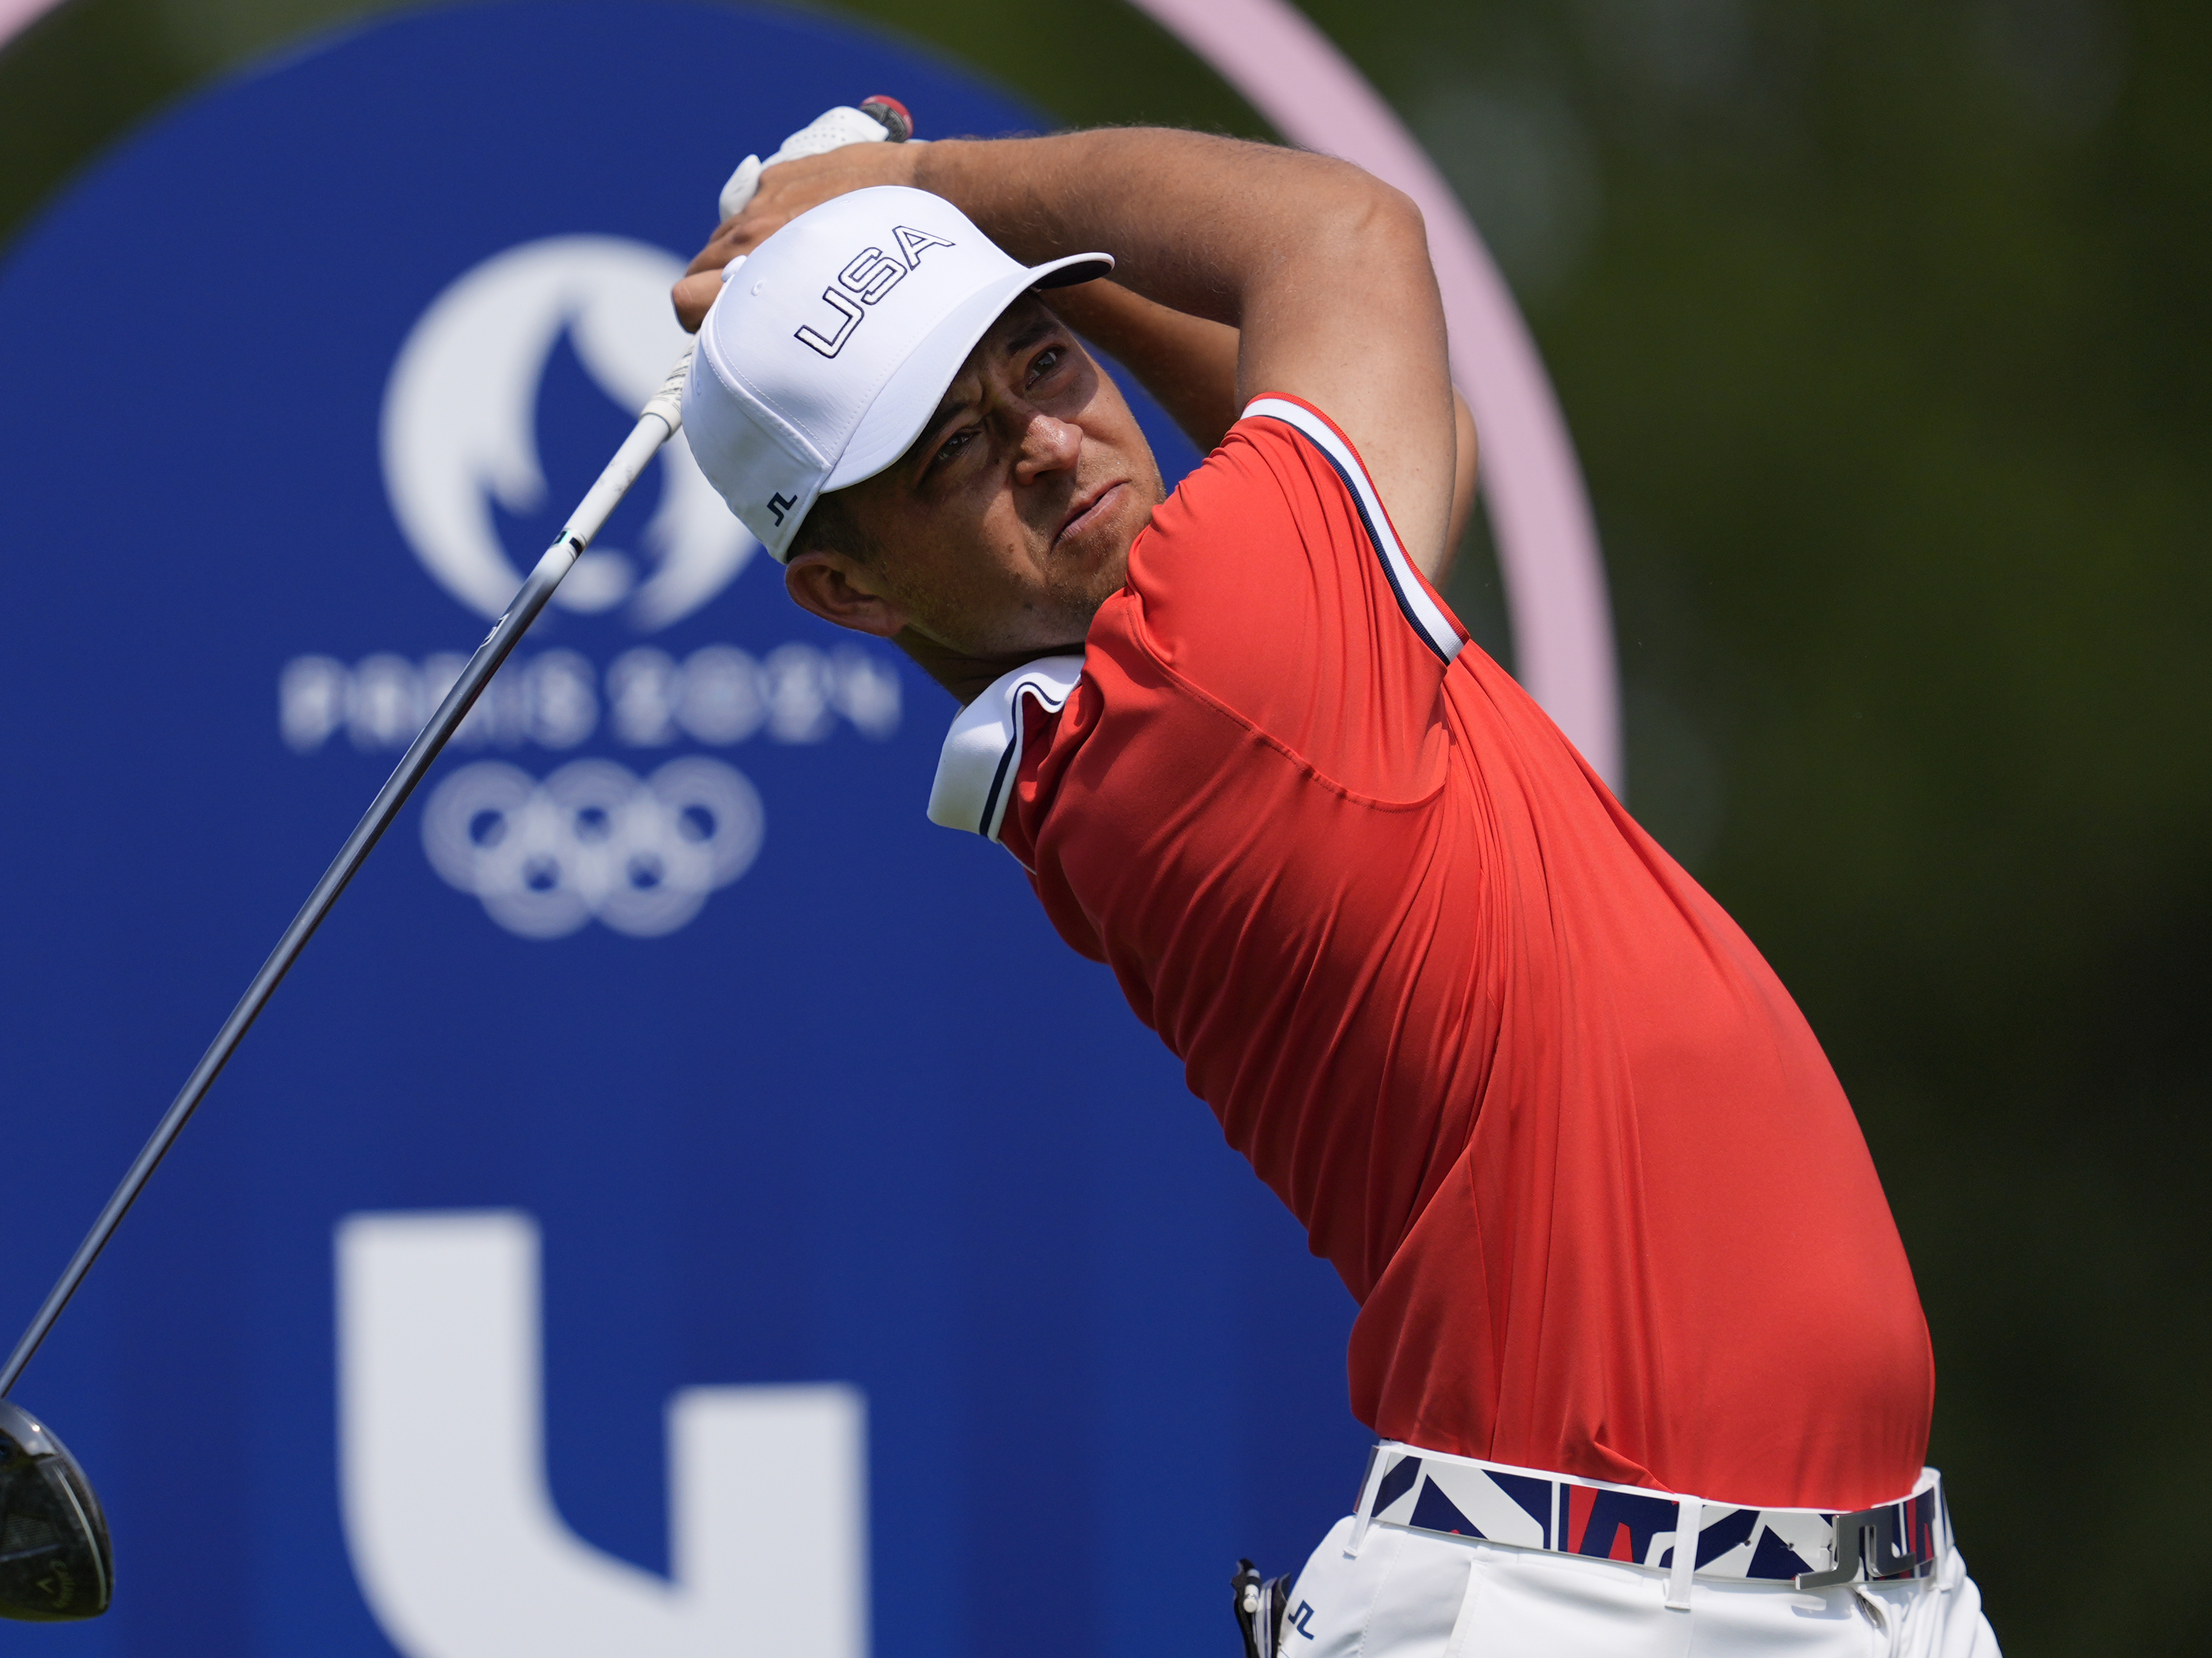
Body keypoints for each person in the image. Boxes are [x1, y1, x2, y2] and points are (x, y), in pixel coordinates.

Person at [671, 125, 2000, 1657]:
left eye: (1041, 361)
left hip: (1837, 1584)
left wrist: (968, 266)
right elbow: (1350, 240)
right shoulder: (1219, 668)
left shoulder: (1226, 662)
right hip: (1595, 1603)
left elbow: (1408, 418)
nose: (1047, 443)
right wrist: (937, 190)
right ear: (848, 590)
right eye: (952, 450)